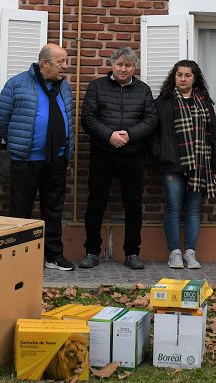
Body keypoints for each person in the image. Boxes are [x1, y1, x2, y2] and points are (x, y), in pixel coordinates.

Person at [0, 44, 75, 271]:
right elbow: (1, 120)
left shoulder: (64, 87)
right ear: (45, 63)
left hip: (57, 160)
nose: (65, 67)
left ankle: (53, 256)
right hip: (26, 160)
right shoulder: (17, 84)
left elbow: (67, 118)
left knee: (53, 209)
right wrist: (16, 144)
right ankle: (16, 257)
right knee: (21, 209)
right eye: (61, 62)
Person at [79, 47, 157, 270]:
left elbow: (151, 120)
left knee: (133, 205)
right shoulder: (96, 87)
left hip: (133, 156)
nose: (123, 69)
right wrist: (109, 135)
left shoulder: (143, 90)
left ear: (135, 68)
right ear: (112, 65)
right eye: (120, 64)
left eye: (128, 65)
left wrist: (129, 135)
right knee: (95, 203)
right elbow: (87, 118)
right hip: (102, 154)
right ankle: (91, 251)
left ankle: (132, 253)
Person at [152, 60, 216, 270]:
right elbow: (154, 133)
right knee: (173, 208)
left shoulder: (204, 101)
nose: (183, 79)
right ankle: (174, 253)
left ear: (195, 78)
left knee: (193, 210)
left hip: (201, 165)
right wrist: (160, 153)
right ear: (174, 76)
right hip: (171, 165)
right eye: (179, 74)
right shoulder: (163, 101)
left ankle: (190, 253)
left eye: (187, 75)